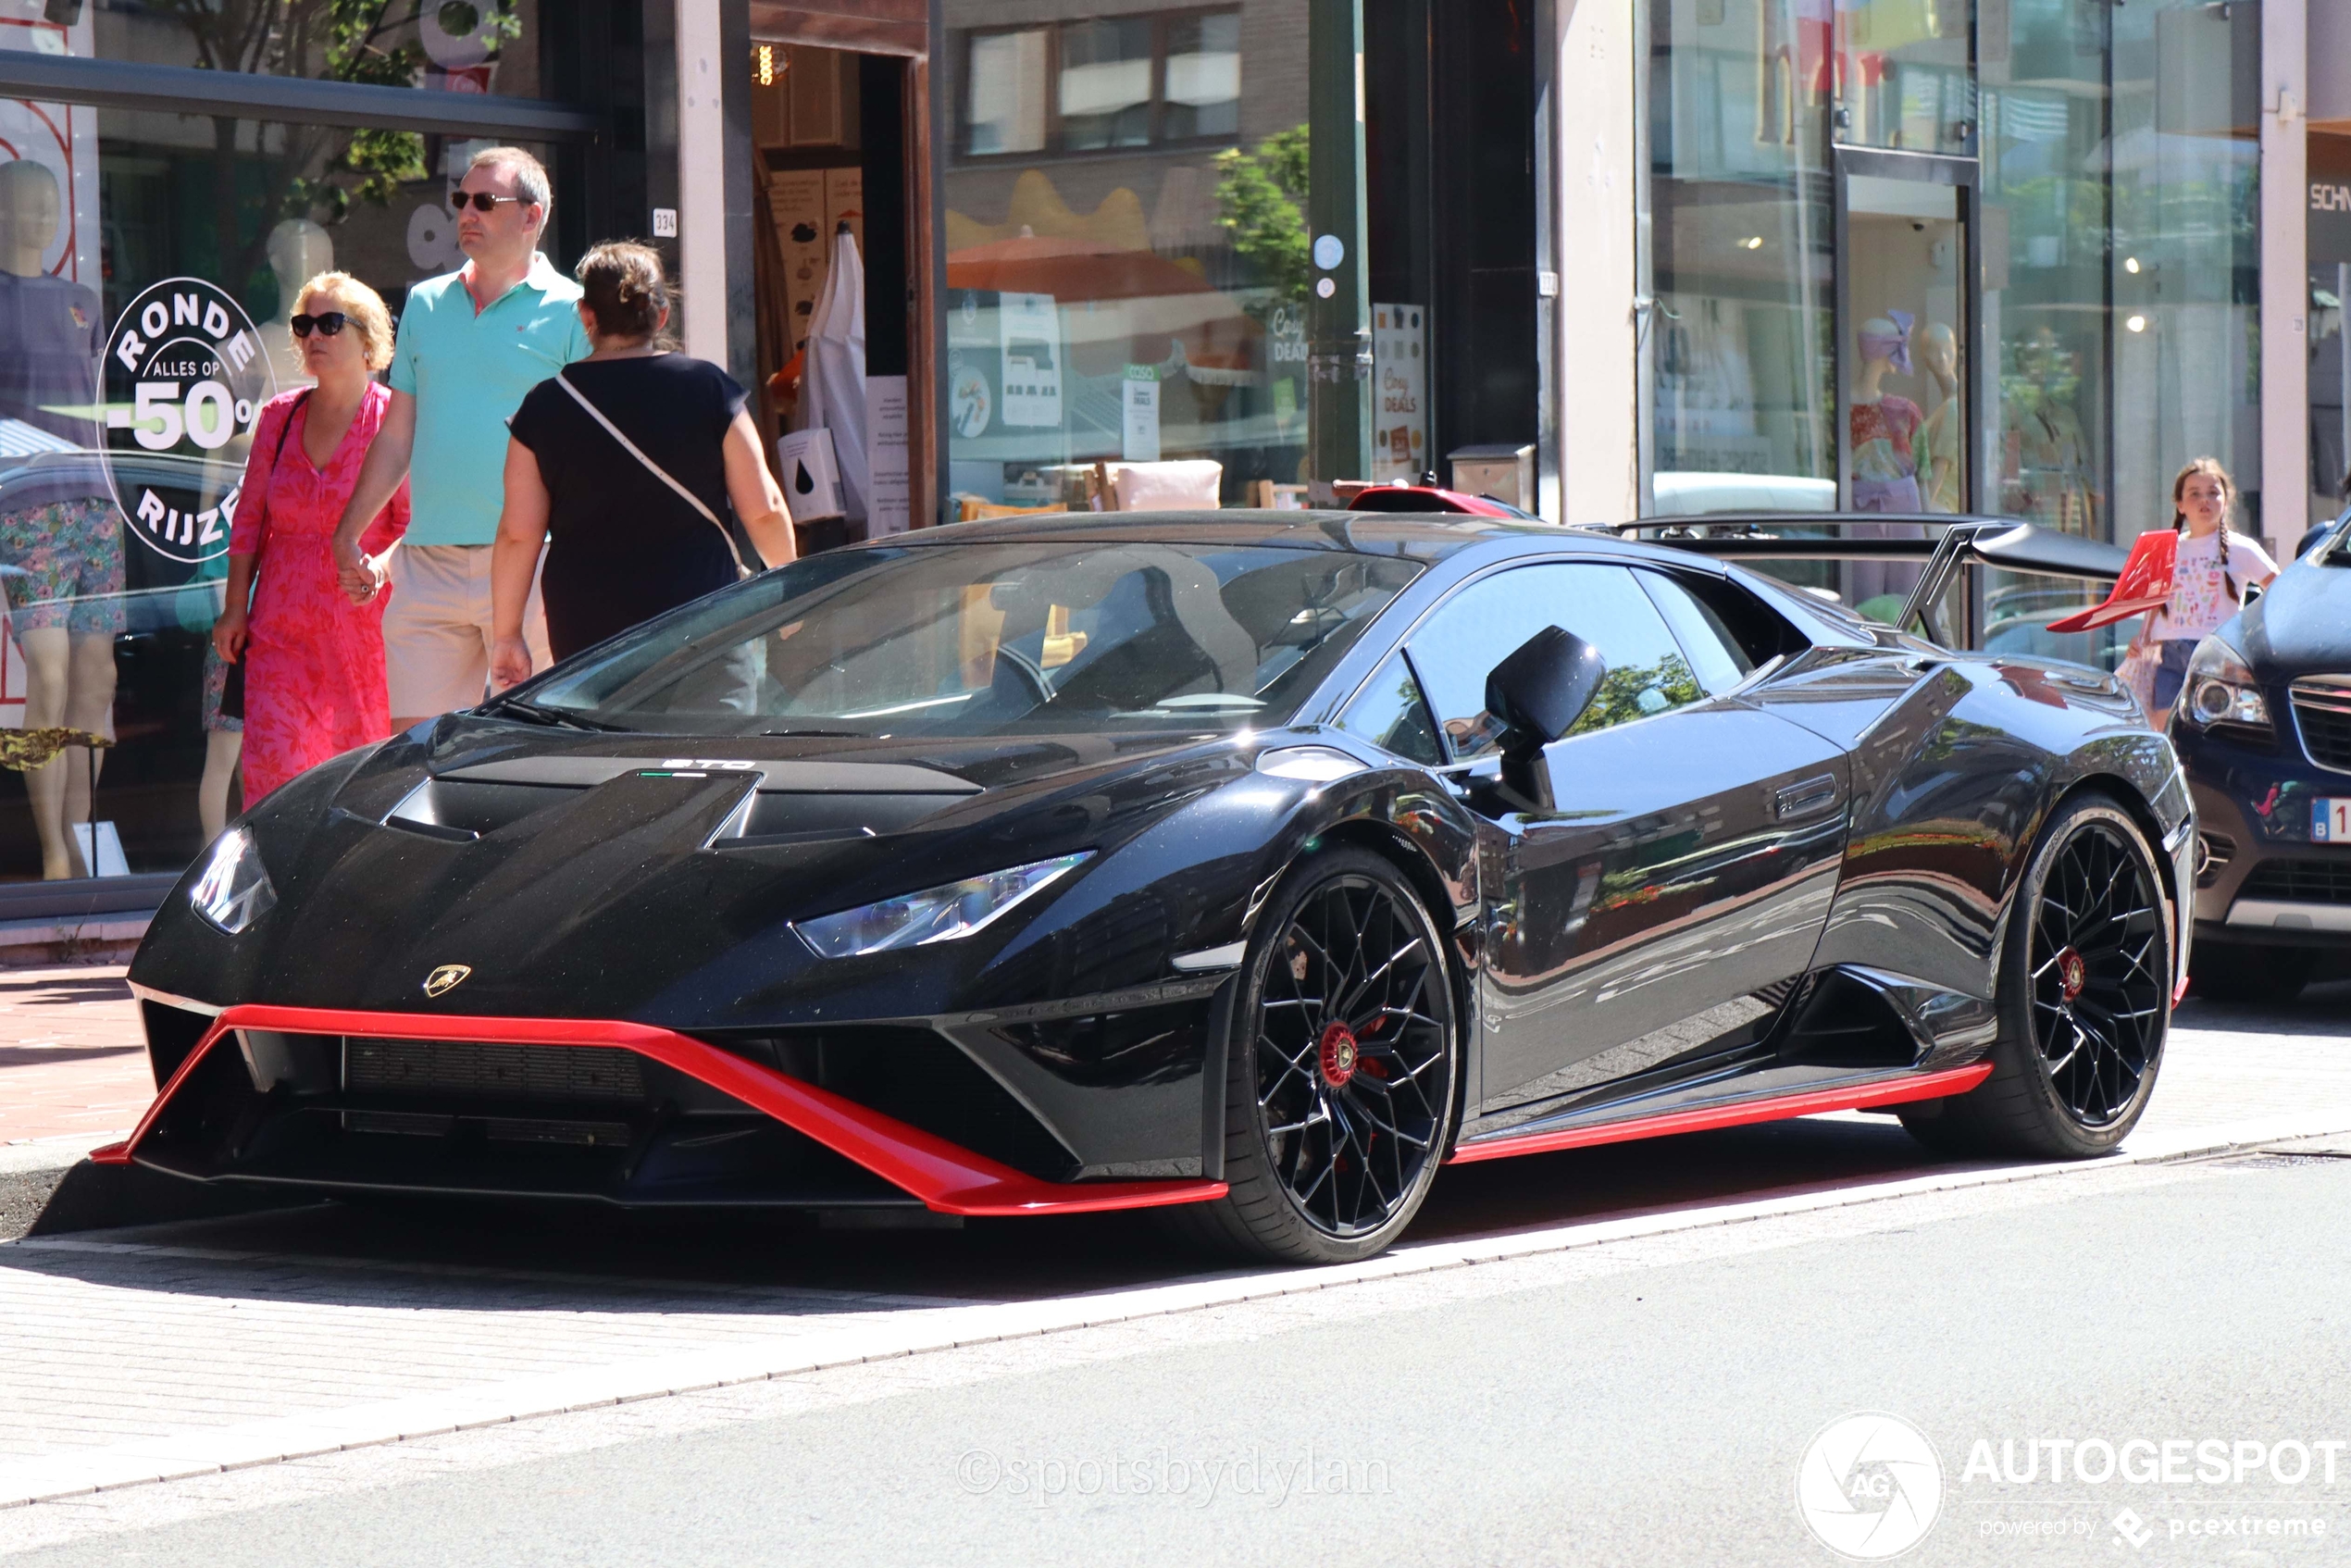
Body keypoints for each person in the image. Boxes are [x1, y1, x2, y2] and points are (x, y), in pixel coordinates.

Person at [329, 146, 587, 732]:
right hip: (427, 566)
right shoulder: (424, 303)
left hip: (534, 563)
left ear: (532, 217)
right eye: (460, 200)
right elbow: (398, 434)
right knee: (418, 761)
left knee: (534, 754)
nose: (466, 212)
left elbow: (589, 448)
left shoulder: (574, 311)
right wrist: (349, 534)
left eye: (484, 201)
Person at [489, 243, 793, 686]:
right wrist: (790, 591)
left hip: (589, 634)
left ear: (586, 315)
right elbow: (763, 507)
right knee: (706, 752)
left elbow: (518, 535)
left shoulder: (545, 406)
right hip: (704, 620)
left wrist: (507, 635)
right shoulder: (709, 387)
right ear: (662, 315)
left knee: (604, 753)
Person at [210, 273, 410, 803]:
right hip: (280, 629)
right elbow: (250, 518)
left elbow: (416, 527)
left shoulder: (395, 419)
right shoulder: (280, 417)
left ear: (368, 341)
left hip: (365, 631)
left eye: (329, 324)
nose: (313, 336)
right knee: (278, 786)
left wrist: (380, 565)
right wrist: (235, 607)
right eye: (304, 325)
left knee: (364, 782)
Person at [2134, 457, 2277, 715]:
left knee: (2208, 728)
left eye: (2213, 493)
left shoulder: (2242, 549)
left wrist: (2255, 633)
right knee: (2165, 728)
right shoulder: (2164, 548)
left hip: (2216, 653)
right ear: (2180, 504)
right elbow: (2153, 601)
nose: (2205, 501)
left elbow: (2279, 588)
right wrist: (2142, 638)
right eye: (2195, 494)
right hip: (2168, 652)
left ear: (2226, 501)